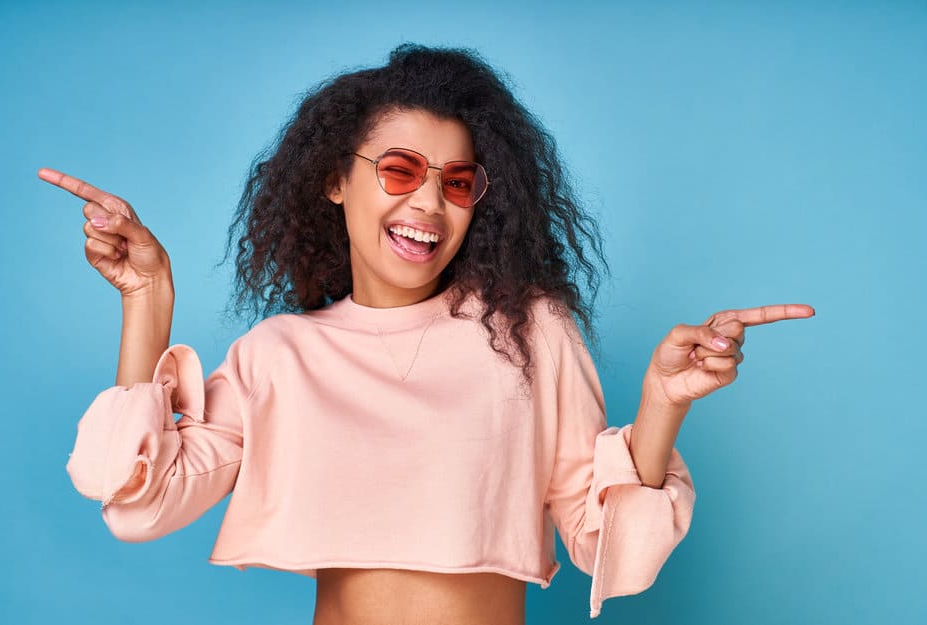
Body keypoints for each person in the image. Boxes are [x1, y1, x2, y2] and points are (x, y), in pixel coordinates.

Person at [40, 44, 814, 623]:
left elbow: (603, 539)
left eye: (456, 182)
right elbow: (137, 503)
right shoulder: (277, 356)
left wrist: (662, 403)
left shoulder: (528, 333)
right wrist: (147, 299)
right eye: (401, 170)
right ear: (335, 180)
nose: (429, 204)